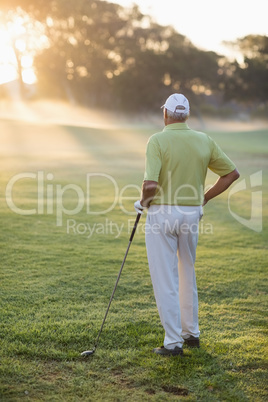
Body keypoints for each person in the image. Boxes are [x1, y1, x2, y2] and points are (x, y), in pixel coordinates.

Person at [134, 93, 240, 356]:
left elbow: (150, 185)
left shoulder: (157, 140)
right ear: (187, 115)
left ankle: (173, 343)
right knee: (186, 271)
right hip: (191, 214)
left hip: (162, 214)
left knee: (165, 278)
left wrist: (142, 203)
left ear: (165, 114)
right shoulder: (204, 140)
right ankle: (191, 334)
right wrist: (202, 198)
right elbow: (231, 174)